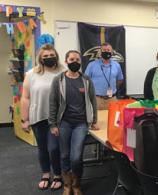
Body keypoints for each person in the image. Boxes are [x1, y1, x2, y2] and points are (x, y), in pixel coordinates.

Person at [49, 50, 99, 195]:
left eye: (77, 59)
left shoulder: (86, 80)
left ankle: (77, 184)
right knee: (64, 155)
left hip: (81, 124)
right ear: (66, 61)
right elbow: (53, 103)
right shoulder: (58, 80)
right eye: (71, 59)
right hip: (64, 123)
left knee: (76, 157)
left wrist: (94, 120)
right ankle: (67, 185)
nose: (75, 62)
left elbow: (93, 101)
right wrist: (53, 124)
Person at [21, 44, 64, 191]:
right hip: (37, 116)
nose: (49, 58)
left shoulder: (63, 72)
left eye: (51, 55)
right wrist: (24, 119)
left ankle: (58, 174)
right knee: (42, 148)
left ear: (56, 56)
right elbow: (25, 97)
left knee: (54, 148)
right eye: (45, 56)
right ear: (40, 58)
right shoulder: (32, 74)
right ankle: (46, 174)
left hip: (56, 119)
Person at [85, 42, 124, 109]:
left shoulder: (116, 65)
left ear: (112, 52)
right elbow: (85, 80)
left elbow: (120, 80)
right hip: (97, 99)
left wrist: (113, 88)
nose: (106, 52)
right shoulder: (91, 65)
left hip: (112, 99)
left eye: (108, 50)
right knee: (97, 119)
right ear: (100, 52)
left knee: (114, 119)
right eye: (104, 50)